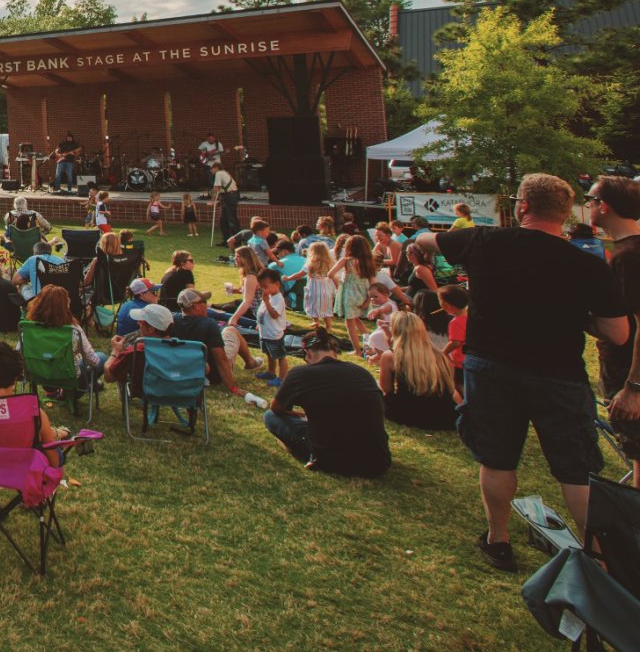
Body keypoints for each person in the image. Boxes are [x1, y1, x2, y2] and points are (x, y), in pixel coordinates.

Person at [418, 173, 630, 571]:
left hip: (490, 366)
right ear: (566, 215)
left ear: (522, 206)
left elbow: (424, 241)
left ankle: (498, 539)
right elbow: (618, 333)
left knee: (498, 460)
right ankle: (600, 561)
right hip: (559, 373)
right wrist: (578, 317)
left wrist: (444, 240)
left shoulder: (484, 241)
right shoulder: (587, 265)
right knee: (575, 470)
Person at [262, 327, 389, 477]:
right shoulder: (361, 372)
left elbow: (276, 408)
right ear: (334, 352)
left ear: (308, 354)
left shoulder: (299, 374)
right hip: (377, 461)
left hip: (332, 459)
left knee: (270, 416)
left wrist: (297, 414)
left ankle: (300, 448)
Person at [587, 175, 640, 484]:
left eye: (590, 201)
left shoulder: (628, 257)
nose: (588, 206)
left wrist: (634, 388)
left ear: (604, 207)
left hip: (627, 373)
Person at [376, 310, 460, 429]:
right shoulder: (440, 355)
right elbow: (450, 388)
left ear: (396, 330)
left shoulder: (391, 356)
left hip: (408, 414)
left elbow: (387, 390)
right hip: (444, 416)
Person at [26, 284, 102, 387]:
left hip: (39, 373)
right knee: (102, 357)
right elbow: (93, 361)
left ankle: (51, 390)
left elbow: (20, 352)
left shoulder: (29, 329)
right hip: (67, 377)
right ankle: (71, 390)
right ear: (65, 305)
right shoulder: (73, 330)